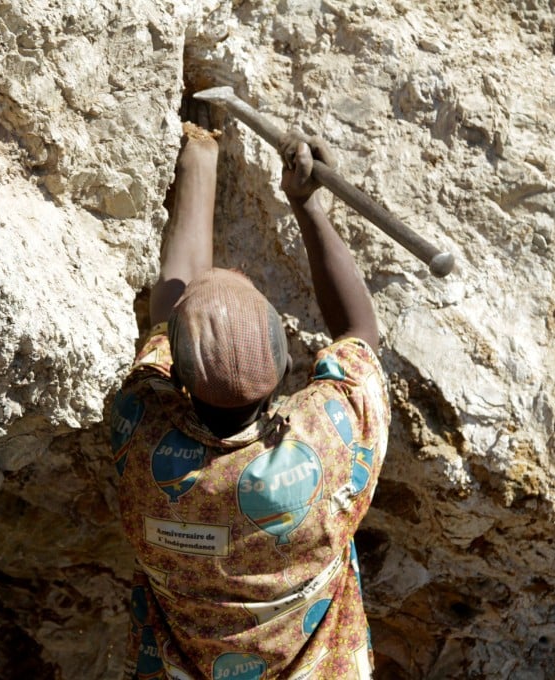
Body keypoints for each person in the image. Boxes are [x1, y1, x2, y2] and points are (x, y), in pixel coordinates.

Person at [110, 103, 390, 680]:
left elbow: (166, 318)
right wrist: (308, 204)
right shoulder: (325, 447)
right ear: (288, 364)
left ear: (181, 381)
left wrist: (199, 155)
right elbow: (358, 334)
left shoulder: (141, 436)